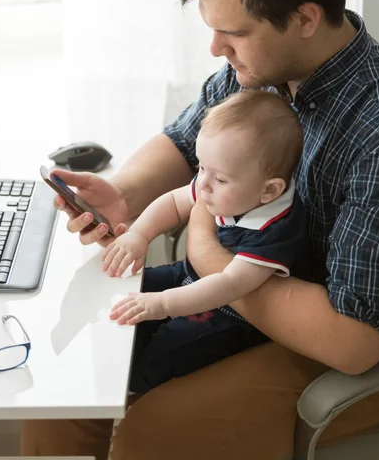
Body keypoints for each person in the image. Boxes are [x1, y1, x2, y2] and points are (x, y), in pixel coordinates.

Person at [21, 0, 379, 460]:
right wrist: (126, 196)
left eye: (233, 32)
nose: (215, 48)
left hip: (334, 331)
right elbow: (185, 141)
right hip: (244, 294)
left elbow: (354, 342)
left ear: (304, 18)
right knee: (74, 385)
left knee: (153, 427)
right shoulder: (258, 68)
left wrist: (207, 252)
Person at [103, 90, 309, 393]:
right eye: (201, 168)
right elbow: (175, 202)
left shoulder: (276, 230)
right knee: (123, 287)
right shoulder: (229, 185)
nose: (203, 184)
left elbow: (229, 285)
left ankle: (134, 386)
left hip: (229, 314)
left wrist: (161, 304)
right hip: (189, 277)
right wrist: (139, 235)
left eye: (219, 179)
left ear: (269, 191)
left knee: (148, 363)